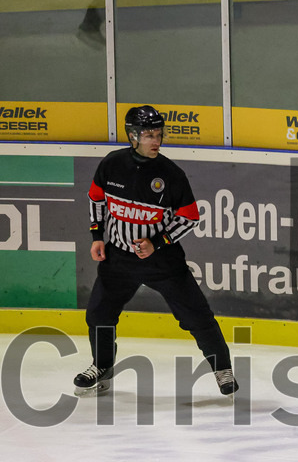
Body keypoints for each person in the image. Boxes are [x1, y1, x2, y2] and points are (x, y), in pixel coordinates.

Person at [74, 105, 238, 396]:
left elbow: (189, 217)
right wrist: (97, 235)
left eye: (159, 135)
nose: (156, 141)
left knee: (196, 316)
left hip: (163, 261)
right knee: (99, 313)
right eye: (149, 135)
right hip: (118, 259)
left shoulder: (171, 174)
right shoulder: (112, 164)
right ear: (132, 135)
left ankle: (222, 369)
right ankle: (101, 366)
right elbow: (96, 199)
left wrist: (157, 243)